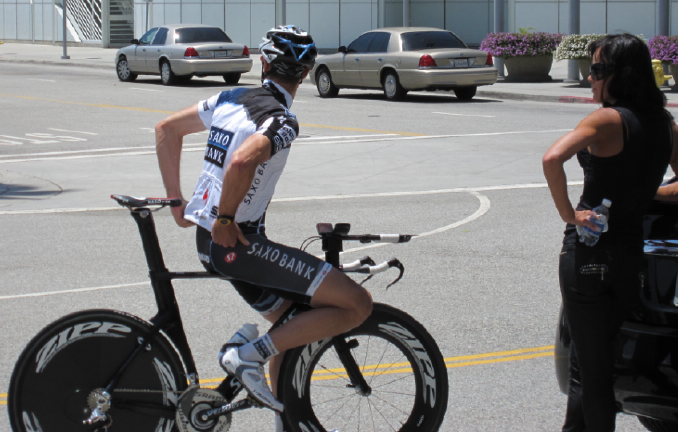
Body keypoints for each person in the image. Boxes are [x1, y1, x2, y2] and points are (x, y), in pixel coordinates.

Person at [155, 25, 372, 430]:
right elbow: (242, 161)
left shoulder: (230, 98)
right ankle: (245, 355)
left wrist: (176, 202)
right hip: (235, 243)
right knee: (357, 304)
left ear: (264, 63)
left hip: (213, 242)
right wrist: (224, 218)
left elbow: (166, 129)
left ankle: (282, 421)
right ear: (305, 74)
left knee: (290, 330)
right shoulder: (281, 119)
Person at [542, 33, 677, 432]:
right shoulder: (666, 125)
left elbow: (552, 158)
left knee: (595, 370)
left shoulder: (607, 120)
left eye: (598, 70)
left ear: (623, 74)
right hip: (629, 258)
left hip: (588, 256)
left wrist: (569, 214)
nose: (591, 78)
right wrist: (646, 193)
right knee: (586, 359)